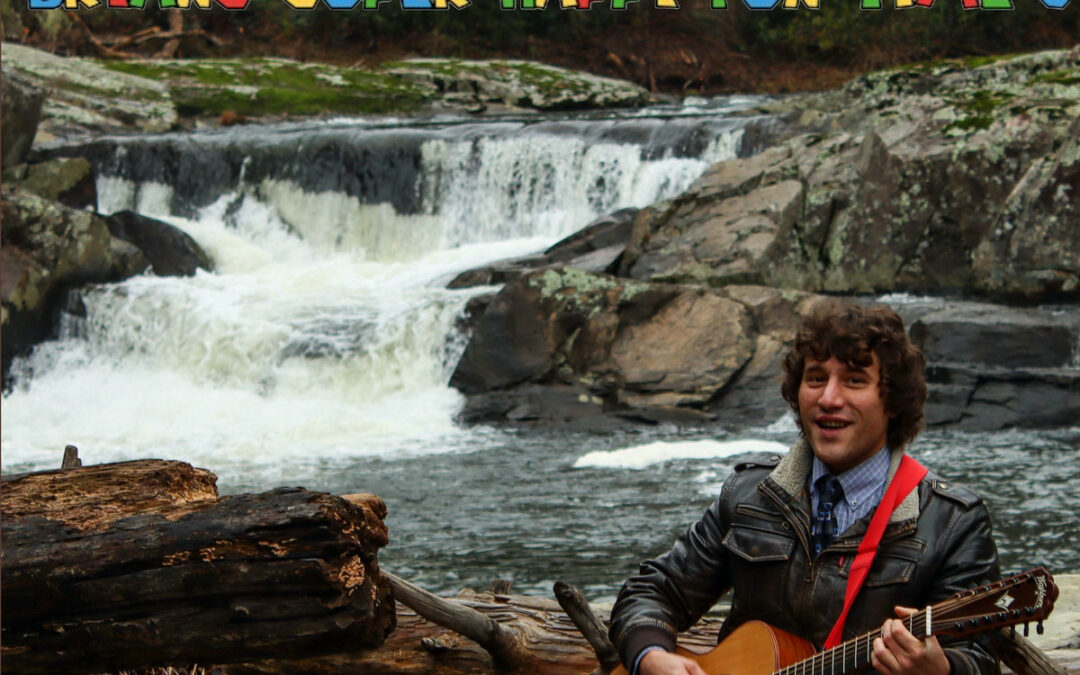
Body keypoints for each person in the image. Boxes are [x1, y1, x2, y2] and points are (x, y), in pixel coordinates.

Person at [609, 300, 1001, 675]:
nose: (829, 398)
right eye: (816, 378)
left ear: (893, 401)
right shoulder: (750, 494)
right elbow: (654, 590)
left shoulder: (952, 521)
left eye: (854, 380)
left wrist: (941, 670)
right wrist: (650, 656)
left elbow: (981, 658)